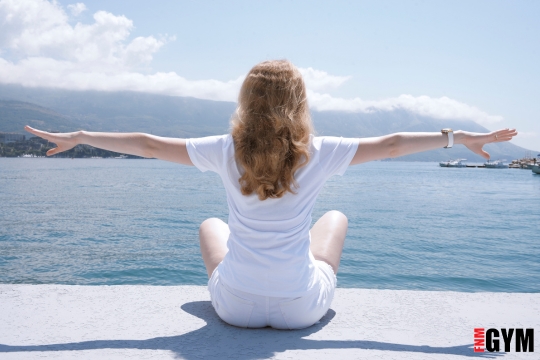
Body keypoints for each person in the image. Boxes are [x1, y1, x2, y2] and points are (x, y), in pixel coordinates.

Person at [25, 60, 517, 330]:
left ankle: (253, 275)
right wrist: (457, 137)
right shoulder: (319, 152)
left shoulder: (224, 150)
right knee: (335, 218)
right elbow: (390, 145)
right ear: (300, 103)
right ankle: (293, 269)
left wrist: (83, 135)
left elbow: (149, 146)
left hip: (234, 308)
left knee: (210, 226)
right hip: (301, 306)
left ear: (245, 100)